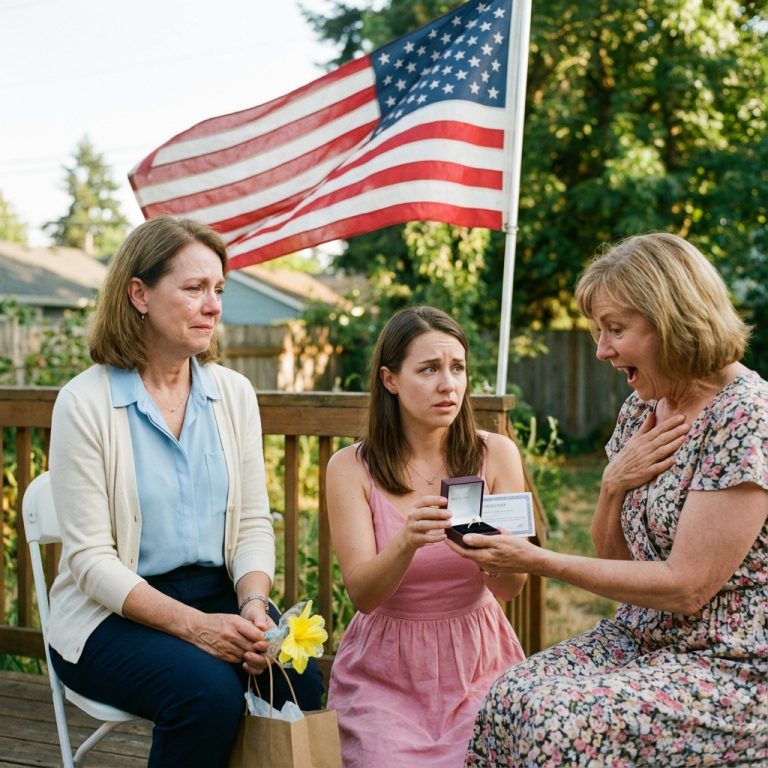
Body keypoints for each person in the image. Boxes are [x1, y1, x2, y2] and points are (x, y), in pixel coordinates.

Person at [448, 232, 768, 767]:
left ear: (673, 319)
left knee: (559, 721)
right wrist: (612, 485)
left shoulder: (745, 417)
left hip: (728, 663)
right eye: (599, 330)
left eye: (616, 329)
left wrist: (536, 560)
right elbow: (615, 559)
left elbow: (686, 588)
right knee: (507, 698)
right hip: (641, 637)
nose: (601, 349)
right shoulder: (641, 408)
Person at [46, 216, 322, 768]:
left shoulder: (233, 394)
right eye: (194, 288)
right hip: (111, 613)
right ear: (139, 294)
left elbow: (250, 524)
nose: (214, 305)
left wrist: (253, 606)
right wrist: (196, 628)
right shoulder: (84, 403)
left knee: (297, 676)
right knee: (205, 693)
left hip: (220, 594)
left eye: (218, 289)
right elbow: (91, 561)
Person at [325, 305, 528, 767]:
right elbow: (363, 595)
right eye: (430, 369)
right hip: (386, 670)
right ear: (390, 380)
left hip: (477, 657)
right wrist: (406, 541)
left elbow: (510, 589)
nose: (448, 384)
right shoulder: (350, 468)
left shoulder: (496, 454)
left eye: (457, 368)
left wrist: (490, 554)